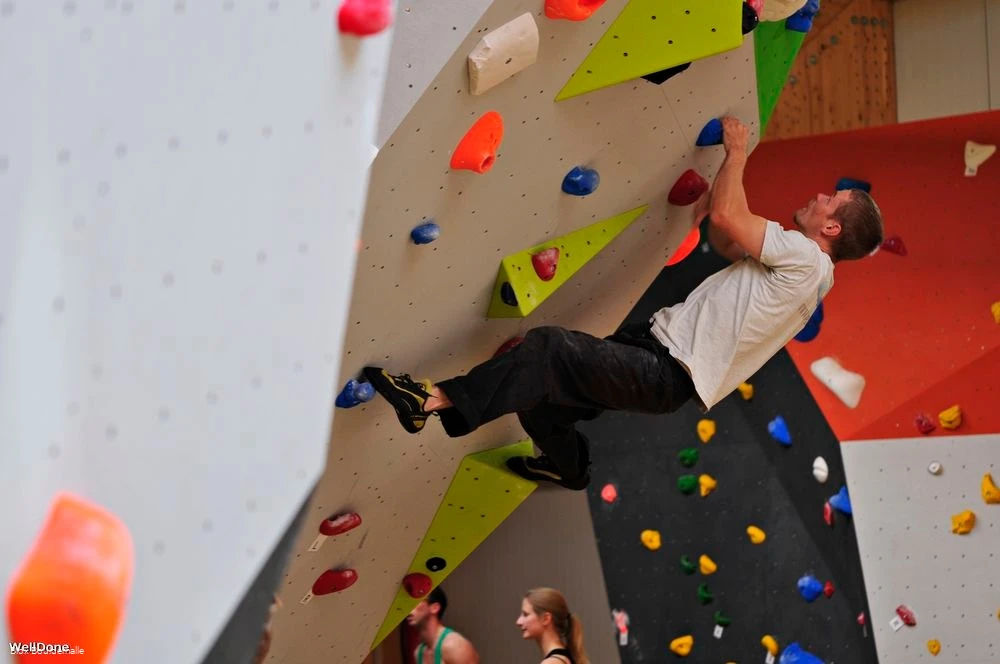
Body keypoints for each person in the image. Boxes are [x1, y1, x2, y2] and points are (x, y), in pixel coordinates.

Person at [363, 116, 883, 490]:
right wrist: (715, 201)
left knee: (546, 351)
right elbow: (729, 237)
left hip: (664, 369)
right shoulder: (816, 280)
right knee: (543, 406)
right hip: (658, 361)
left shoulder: (806, 259)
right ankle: (569, 470)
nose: (819, 197)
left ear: (832, 228)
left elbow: (729, 221)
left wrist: (738, 152)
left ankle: (432, 400)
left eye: (829, 202)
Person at [406, 586, 480, 664]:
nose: (409, 609)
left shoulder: (455, 646)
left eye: (416, 602)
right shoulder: (419, 653)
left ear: (435, 608)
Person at [515, 588, 589, 664]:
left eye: (526, 614)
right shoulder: (563, 658)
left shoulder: (552, 662)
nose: (518, 622)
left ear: (546, 619)